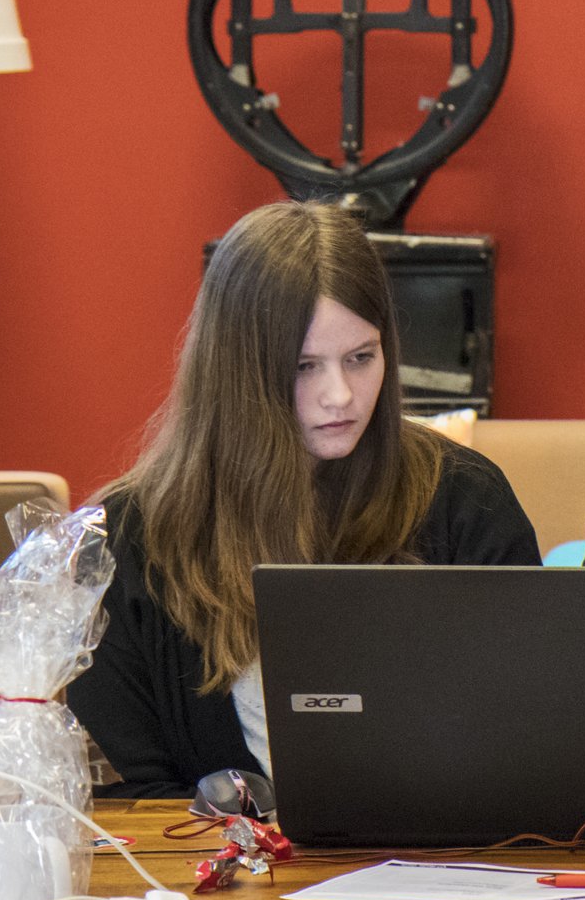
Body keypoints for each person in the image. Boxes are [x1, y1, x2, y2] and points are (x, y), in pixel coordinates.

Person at [69, 202, 539, 797]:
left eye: (361, 358)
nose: (340, 395)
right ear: (235, 373)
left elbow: (528, 740)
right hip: (212, 883)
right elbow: (123, 804)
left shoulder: (466, 498)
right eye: (304, 367)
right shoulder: (125, 541)